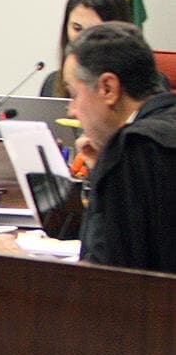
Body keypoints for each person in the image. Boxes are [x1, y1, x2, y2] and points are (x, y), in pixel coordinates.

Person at [64, 21, 176, 273]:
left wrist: (25, 263)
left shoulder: (133, 149)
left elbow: (102, 279)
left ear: (108, 88)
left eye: (74, 94)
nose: (71, 110)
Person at [39, 0, 133, 97]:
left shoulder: (141, 91)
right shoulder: (51, 85)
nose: (82, 40)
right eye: (77, 28)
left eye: (93, 31)